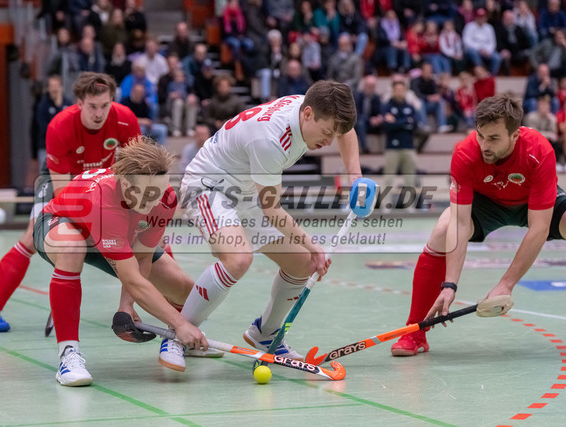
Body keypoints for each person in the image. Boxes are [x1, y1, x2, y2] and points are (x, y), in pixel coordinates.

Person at [158, 80, 362, 371]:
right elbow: (273, 210)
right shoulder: (271, 140)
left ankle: (265, 333)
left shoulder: (315, 105)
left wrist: (354, 175)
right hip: (209, 185)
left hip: (247, 189)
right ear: (307, 114)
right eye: (327, 132)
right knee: (238, 258)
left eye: (333, 134)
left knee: (302, 264)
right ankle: (177, 334)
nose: (329, 141)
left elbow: (346, 131)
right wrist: (315, 245)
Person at [0, 72, 171, 337]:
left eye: (105, 105)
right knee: (33, 236)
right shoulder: (60, 126)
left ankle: (171, 304)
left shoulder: (125, 118)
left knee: (151, 235)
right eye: (92, 107)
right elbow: (64, 195)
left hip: (103, 181)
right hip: (65, 182)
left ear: (113, 100)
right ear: (79, 103)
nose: (99, 113)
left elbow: (137, 169)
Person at [390, 93, 566, 356]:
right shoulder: (465, 153)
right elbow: (460, 223)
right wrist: (449, 285)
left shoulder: (539, 151)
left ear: (515, 135)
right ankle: (414, 332)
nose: (484, 145)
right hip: (487, 204)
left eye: (494, 138)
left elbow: (539, 228)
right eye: (481, 135)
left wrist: (506, 284)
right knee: (442, 229)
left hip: (530, 201)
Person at [33, 138, 209, 385]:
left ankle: (175, 340)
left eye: (159, 192)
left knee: (184, 289)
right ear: (125, 184)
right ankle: (68, 355)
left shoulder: (164, 199)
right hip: (61, 222)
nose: (155, 200)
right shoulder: (104, 202)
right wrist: (179, 322)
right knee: (72, 248)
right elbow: (133, 279)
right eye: (147, 194)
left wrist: (126, 306)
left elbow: (143, 256)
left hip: (115, 233)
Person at [381, 80, 418, 211]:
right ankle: (386, 205)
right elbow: (387, 126)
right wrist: (405, 122)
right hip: (392, 148)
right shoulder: (386, 107)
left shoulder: (410, 107)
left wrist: (396, 121)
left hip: (408, 146)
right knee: (388, 178)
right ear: (393, 91)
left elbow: (414, 125)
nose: (399, 92)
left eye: (402, 90)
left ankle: (410, 205)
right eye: (396, 89)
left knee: (410, 178)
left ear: (405, 91)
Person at [35, 75, 72, 170]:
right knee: (46, 174)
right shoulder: (43, 105)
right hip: (46, 148)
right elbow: (44, 127)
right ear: (48, 88)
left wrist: (59, 105)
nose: (55, 89)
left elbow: (71, 126)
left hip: (66, 148)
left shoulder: (68, 103)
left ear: (62, 87)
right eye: (52, 86)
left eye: (57, 86)